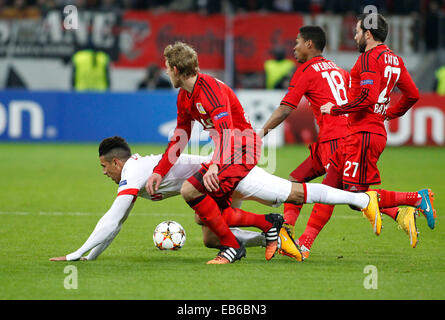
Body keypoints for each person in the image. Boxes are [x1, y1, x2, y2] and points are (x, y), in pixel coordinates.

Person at [49, 136, 382, 262]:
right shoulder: (136, 170)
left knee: (291, 192)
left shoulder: (132, 175)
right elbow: (117, 223)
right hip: (215, 183)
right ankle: (275, 237)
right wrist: (89, 258)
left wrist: (76, 254)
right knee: (210, 236)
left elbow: (111, 218)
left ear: (116, 163)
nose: (103, 172)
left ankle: (361, 199)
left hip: (226, 171)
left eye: (103, 166)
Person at [260, 24, 436, 259]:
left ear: (309, 44)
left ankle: (300, 242)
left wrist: (260, 133)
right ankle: (290, 234)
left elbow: (285, 109)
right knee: (300, 181)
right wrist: (385, 113)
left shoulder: (309, 70)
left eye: (297, 42)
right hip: (340, 135)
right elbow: (377, 96)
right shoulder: (339, 69)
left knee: (339, 193)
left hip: (337, 138)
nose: (294, 48)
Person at [318, 13, 436, 255]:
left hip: (363, 133)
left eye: (358, 31)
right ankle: (305, 245)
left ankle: (416, 198)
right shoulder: (394, 59)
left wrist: (336, 109)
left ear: (368, 34)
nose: (354, 35)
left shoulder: (370, 58)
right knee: (343, 189)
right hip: (370, 132)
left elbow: (368, 97)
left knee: (355, 196)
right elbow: (412, 94)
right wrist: (389, 114)